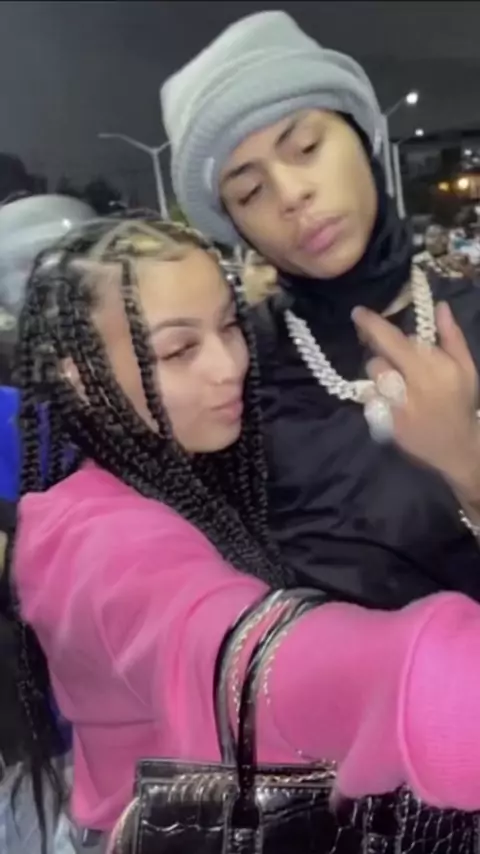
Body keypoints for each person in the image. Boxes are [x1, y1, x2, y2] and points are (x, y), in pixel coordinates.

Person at [11, 213, 480, 854]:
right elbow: (241, 654)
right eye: (179, 350)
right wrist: (436, 686)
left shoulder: (192, 472)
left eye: (230, 326)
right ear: (79, 376)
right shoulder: (88, 538)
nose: (227, 365)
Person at [160, 10, 480, 607]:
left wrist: (467, 462)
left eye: (306, 147)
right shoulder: (233, 373)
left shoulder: (470, 316)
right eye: (250, 191)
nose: (291, 195)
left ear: (362, 138)